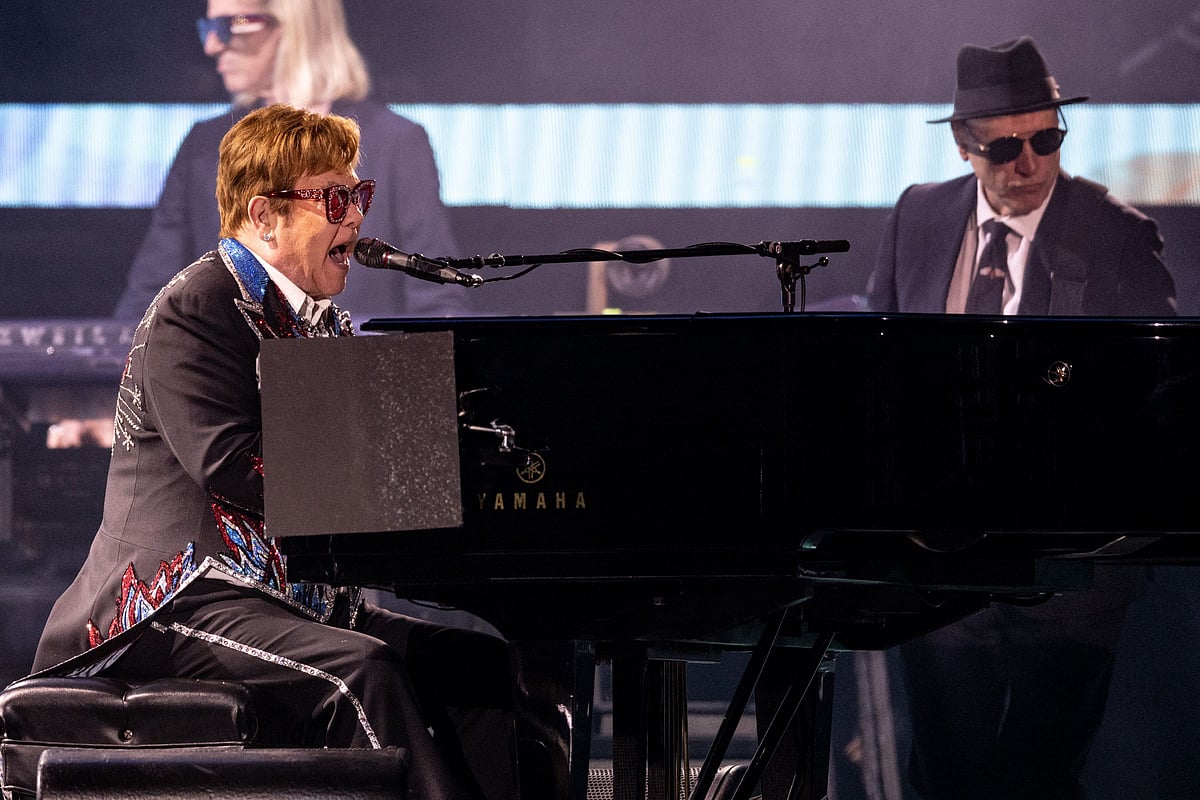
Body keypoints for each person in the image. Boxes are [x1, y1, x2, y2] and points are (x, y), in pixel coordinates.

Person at [29, 103, 519, 800]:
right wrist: (401, 477)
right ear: (265, 215)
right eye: (337, 199)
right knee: (364, 672)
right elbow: (229, 463)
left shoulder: (323, 323)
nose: (356, 218)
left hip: (291, 601)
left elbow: (374, 463)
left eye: (361, 196)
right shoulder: (196, 306)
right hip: (178, 603)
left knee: (480, 664)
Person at [859, 36, 1177, 800]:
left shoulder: (1119, 236)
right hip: (941, 562)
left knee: (1038, 778)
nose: (1030, 162)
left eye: (1047, 138)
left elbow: (1158, 398)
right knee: (946, 775)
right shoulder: (919, 215)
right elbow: (875, 367)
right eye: (1007, 147)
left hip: (1069, 568)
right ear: (967, 146)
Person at [112, 0, 469, 323]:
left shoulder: (397, 142)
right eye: (208, 29)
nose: (211, 46)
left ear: (293, 22)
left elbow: (435, 293)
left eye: (230, 25)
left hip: (358, 377)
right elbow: (152, 290)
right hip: (232, 377)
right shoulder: (206, 145)